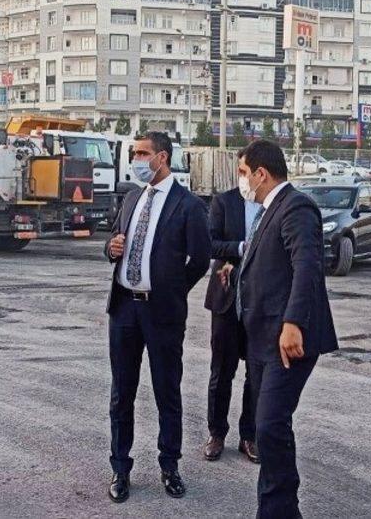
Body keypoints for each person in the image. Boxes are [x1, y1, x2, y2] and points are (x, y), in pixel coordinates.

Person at [103, 132, 212, 503]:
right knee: (122, 393)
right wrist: (111, 248)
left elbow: (201, 259)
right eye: (134, 153)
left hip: (162, 311)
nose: (135, 159)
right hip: (124, 308)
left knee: (167, 391)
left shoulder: (188, 205)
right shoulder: (132, 198)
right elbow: (113, 241)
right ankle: (120, 468)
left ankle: (170, 466)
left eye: (141, 153)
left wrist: (172, 290)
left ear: (161, 157)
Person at [235, 139, 338, 518]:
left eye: (243, 173)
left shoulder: (296, 206)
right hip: (261, 339)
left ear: (261, 173)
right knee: (269, 428)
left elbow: (307, 265)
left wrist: (293, 322)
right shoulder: (268, 210)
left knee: (270, 425)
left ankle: (278, 511)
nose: (241, 181)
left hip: (286, 340)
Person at [202, 147, 262, 464]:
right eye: (239, 171)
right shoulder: (224, 202)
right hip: (226, 300)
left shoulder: (271, 204)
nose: (241, 177)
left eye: (245, 171)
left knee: (256, 374)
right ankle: (216, 433)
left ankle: (249, 436)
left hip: (259, 304)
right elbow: (209, 244)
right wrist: (240, 247)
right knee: (221, 372)